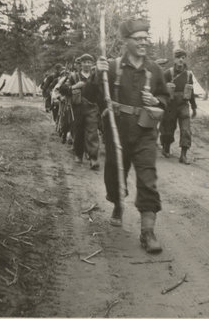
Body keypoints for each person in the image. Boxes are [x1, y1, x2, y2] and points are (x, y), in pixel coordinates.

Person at [96, 18, 169, 254]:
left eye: (145, 38)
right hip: (117, 130)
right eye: (138, 39)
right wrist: (98, 75)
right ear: (126, 42)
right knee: (114, 175)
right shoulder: (113, 67)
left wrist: (156, 101)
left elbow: (166, 99)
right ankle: (118, 202)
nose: (143, 43)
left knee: (148, 179)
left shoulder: (155, 70)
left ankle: (147, 232)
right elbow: (92, 95)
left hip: (145, 132)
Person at [60, 53, 100, 170]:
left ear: (92, 64)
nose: (87, 64)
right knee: (78, 132)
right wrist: (74, 86)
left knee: (92, 132)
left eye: (89, 62)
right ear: (80, 64)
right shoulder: (74, 77)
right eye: (84, 62)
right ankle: (78, 154)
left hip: (92, 108)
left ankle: (93, 158)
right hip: (77, 108)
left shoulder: (96, 76)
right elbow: (63, 89)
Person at [159, 48, 197, 164]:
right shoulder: (168, 73)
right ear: (174, 59)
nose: (181, 60)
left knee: (186, 130)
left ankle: (183, 155)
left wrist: (194, 107)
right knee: (168, 128)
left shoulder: (189, 75)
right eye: (178, 57)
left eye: (183, 58)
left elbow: (191, 92)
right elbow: (161, 90)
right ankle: (166, 148)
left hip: (183, 105)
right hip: (170, 105)